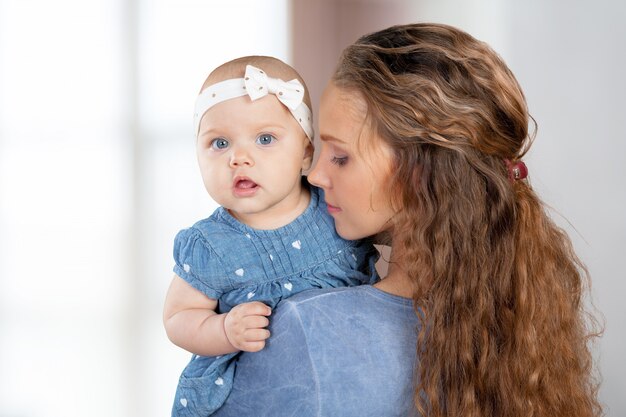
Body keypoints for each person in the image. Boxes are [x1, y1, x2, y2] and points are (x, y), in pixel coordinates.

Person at [211, 23, 603, 417]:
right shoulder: (526, 323)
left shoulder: (307, 329)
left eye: (341, 157)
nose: (315, 176)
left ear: (418, 173)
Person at [163, 55, 379, 416]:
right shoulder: (210, 244)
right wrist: (225, 330)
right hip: (251, 397)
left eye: (265, 139)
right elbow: (177, 317)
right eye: (219, 144)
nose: (239, 158)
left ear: (306, 153)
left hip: (344, 380)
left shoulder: (334, 208)